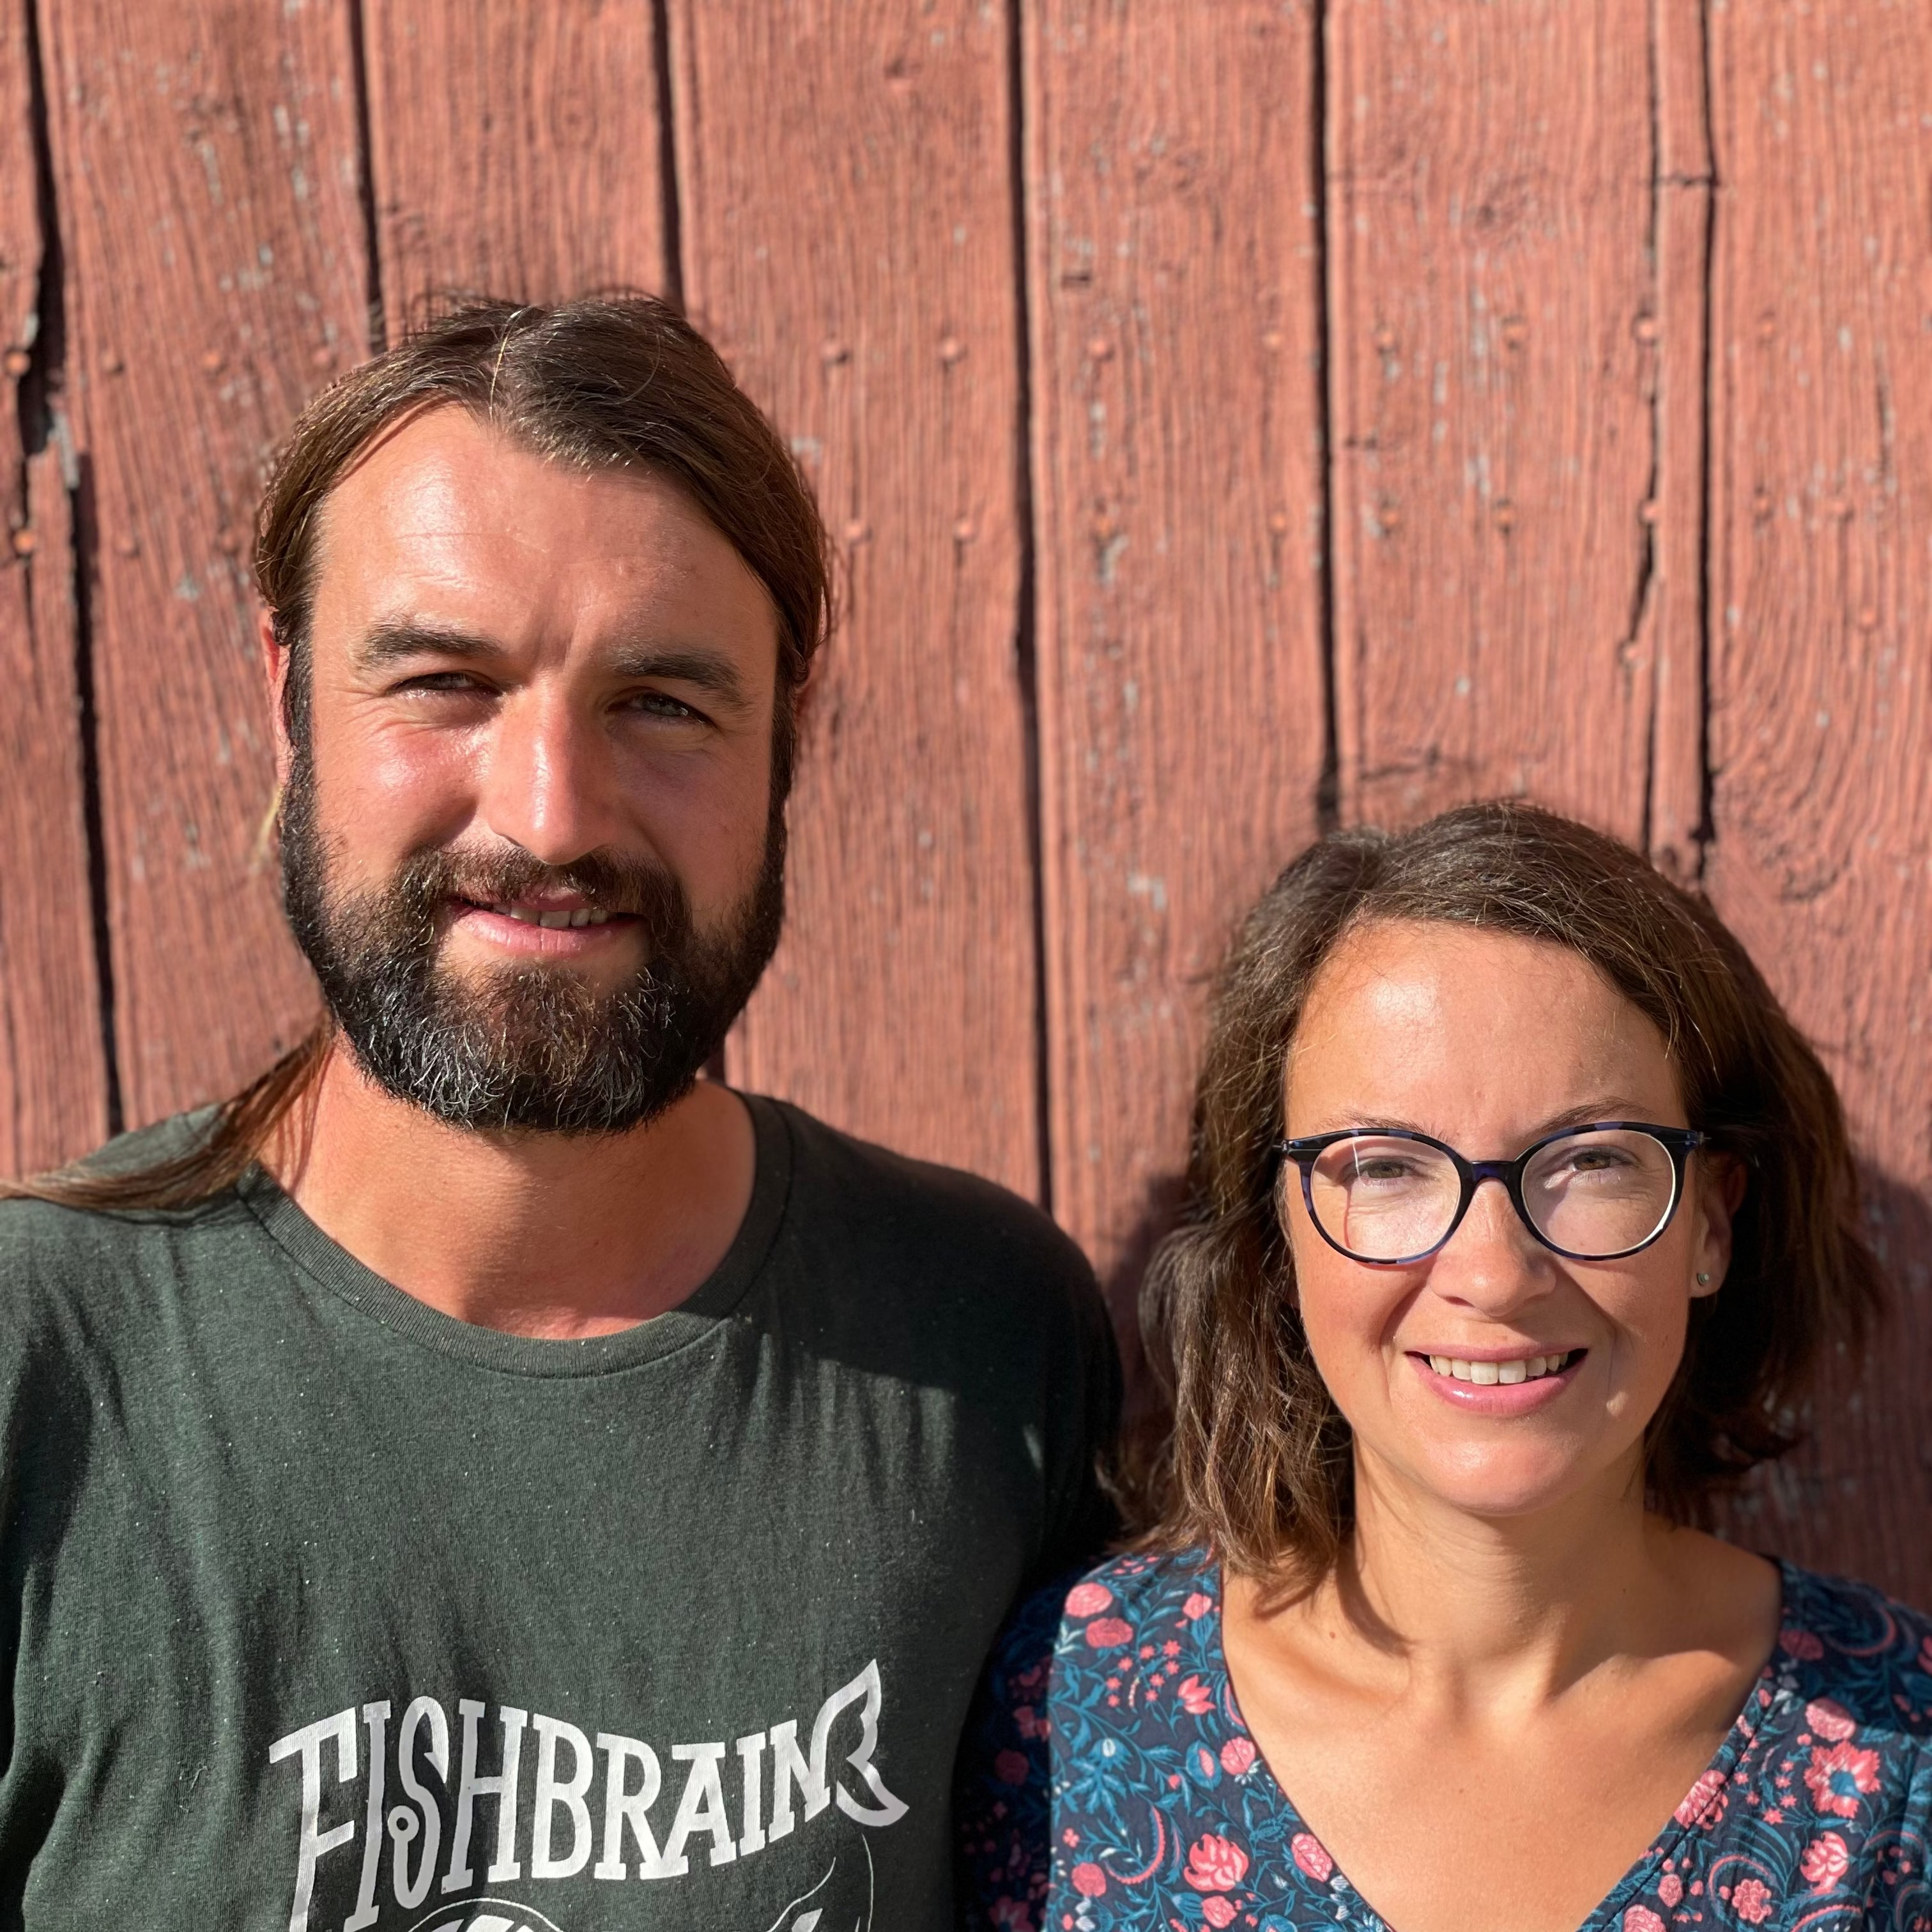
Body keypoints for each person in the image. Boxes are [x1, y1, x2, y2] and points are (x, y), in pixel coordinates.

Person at [0, 297, 1119, 1932]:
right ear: (286, 693)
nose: (549, 814)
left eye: (662, 703)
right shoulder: (43, 1368)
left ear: (786, 732)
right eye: (448, 682)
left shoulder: (984, 1336)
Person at [959, 801, 1928, 1932]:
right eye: (1385, 1168)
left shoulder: (1891, 1754)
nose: (1495, 1272)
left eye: (1593, 1160)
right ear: (1278, 1239)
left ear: (1711, 1227)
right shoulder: (1074, 1717)